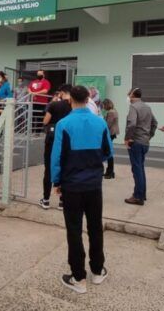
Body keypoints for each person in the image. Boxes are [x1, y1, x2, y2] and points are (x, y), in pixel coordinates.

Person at [51, 85, 112, 294]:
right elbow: (107, 152)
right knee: (95, 227)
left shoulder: (63, 124)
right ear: (88, 99)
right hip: (94, 185)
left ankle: (78, 277)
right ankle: (97, 271)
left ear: (70, 100)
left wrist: (56, 181)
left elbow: (57, 157)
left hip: (72, 186)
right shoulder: (100, 122)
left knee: (74, 230)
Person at [40, 84, 72, 210]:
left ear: (62, 93)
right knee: (64, 168)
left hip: (52, 140)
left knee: (48, 169)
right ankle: (62, 201)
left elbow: (45, 121)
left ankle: (46, 200)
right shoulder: (73, 107)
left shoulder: (54, 105)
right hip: (66, 141)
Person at [123, 88, 157, 206]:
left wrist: (127, 138)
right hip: (144, 142)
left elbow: (131, 124)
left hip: (136, 142)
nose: (128, 97)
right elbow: (154, 123)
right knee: (140, 168)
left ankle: (138, 197)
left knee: (137, 169)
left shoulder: (134, 107)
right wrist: (148, 136)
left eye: (129, 94)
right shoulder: (147, 107)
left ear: (132, 95)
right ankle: (142, 194)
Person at [101, 99, 119, 179]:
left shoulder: (111, 112)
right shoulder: (114, 111)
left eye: (104, 105)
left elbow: (107, 125)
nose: (103, 107)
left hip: (110, 133)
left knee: (109, 153)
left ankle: (110, 172)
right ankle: (110, 171)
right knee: (109, 152)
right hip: (112, 133)